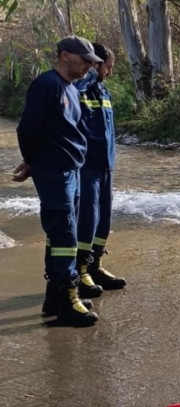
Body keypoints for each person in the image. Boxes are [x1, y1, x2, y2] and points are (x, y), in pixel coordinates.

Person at [14, 36, 102, 326]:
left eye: (92, 62)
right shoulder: (47, 85)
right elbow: (28, 127)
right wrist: (33, 161)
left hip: (71, 169)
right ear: (65, 55)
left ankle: (55, 296)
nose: (90, 66)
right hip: (54, 171)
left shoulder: (72, 89)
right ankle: (67, 298)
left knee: (62, 234)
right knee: (64, 233)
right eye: (85, 59)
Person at [74, 43, 126, 297]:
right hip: (86, 167)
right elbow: (74, 90)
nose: (109, 72)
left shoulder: (103, 92)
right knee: (87, 219)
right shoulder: (79, 86)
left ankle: (96, 267)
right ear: (94, 64)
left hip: (105, 165)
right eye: (107, 67)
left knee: (103, 220)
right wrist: (91, 73)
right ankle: (80, 270)